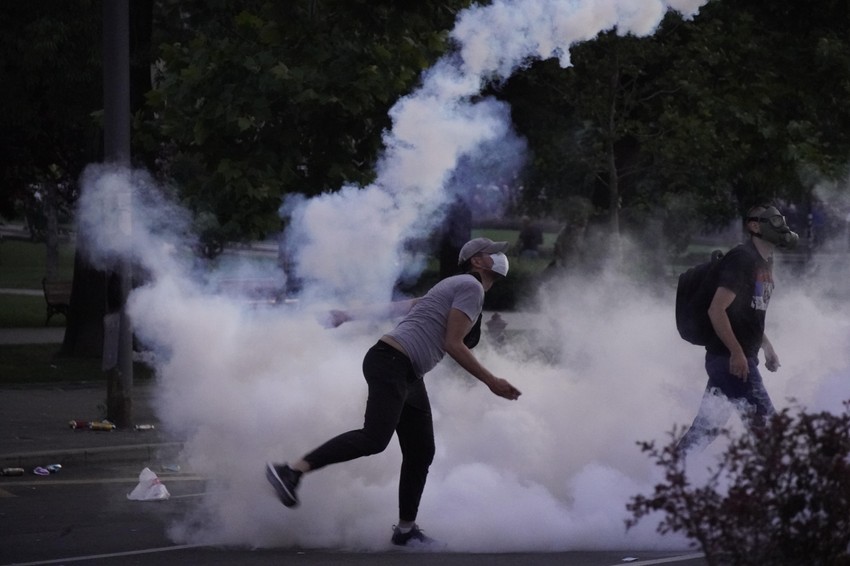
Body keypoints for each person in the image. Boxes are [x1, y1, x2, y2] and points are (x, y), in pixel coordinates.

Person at [265, 237, 522, 547]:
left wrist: (347, 315)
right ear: (477, 261)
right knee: (374, 439)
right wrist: (491, 381)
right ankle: (291, 471)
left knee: (421, 450)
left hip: (404, 370)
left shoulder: (454, 288)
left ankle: (405, 529)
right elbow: (452, 343)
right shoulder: (471, 287)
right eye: (492, 253)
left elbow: (401, 307)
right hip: (392, 363)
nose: (500, 257)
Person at [676, 204, 799, 454]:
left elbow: (747, 313)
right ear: (754, 226)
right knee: (768, 428)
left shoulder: (765, 262)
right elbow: (716, 309)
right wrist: (736, 352)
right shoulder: (742, 259)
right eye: (773, 220)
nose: (781, 225)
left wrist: (767, 347)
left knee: (705, 430)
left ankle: (669, 476)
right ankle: (781, 489)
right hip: (730, 361)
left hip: (736, 359)